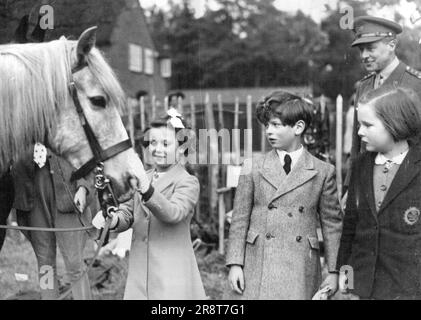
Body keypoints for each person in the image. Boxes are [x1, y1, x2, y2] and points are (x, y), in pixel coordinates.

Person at [225, 91, 343, 300]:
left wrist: (334, 271)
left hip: (299, 265)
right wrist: (235, 263)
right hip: (257, 262)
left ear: (298, 127)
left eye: (277, 125)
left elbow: (332, 225)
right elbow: (239, 220)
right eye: (267, 125)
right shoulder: (252, 167)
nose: (269, 131)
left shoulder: (323, 171)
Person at [106, 108, 206, 300]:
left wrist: (147, 189)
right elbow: (128, 214)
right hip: (140, 274)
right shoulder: (145, 178)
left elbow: (173, 214)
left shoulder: (187, 182)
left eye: (166, 144)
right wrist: (112, 218)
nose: (157, 149)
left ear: (182, 148)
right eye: (153, 142)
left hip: (171, 274)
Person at [336, 86, 421, 300]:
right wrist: (346, 279)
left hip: (407, 290)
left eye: (367, 125)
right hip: (363, 289)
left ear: (395, 124)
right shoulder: (359, 165)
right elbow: (350, 228)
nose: (359, 132)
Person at [11, 145, 94, 300]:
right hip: (33, 198)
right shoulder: (17, 125)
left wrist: (83, 187)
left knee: (74, 263)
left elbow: (84, 156)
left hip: (68, 196)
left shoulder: (65, 123)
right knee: (45, 265)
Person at [349, 16, 421, 164]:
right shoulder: (364, 85)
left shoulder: (415, 84)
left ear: (392, 45)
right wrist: (351, 184)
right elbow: (357, 144)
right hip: (366, 178)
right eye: (361, 50)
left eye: (370, 49)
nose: (364, 56)